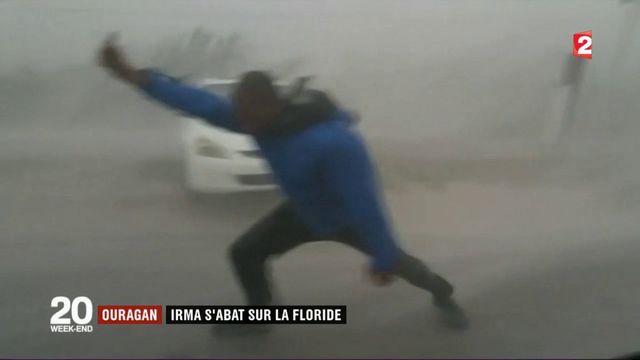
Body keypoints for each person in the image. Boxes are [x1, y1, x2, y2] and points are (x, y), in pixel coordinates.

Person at [97, 35, 469, 336]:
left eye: (248, 114)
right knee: (244, 253)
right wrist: (134, 75)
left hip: (346, 217)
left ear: (270, 104)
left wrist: (383, 259)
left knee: (404, 265)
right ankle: (259, 317)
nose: (242, 124)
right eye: (238, 113)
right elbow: (196, 101)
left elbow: (364, 203)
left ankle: (444, 295)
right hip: (303, 212)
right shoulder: (254, 118)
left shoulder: (334, 142)